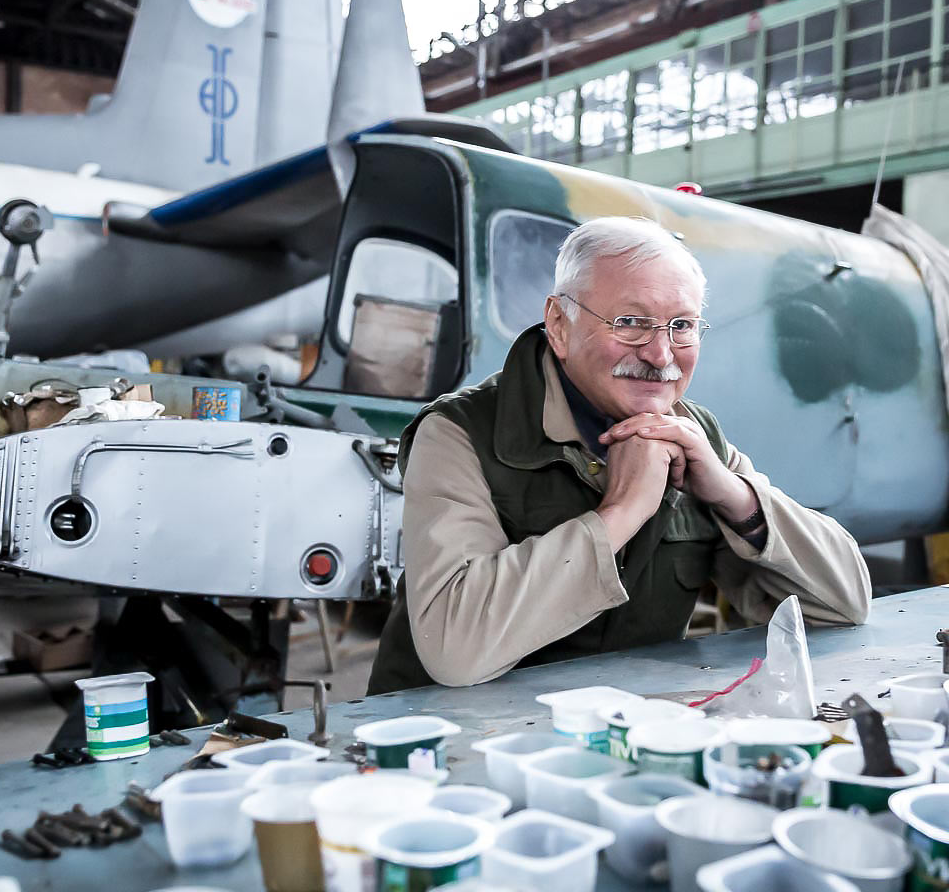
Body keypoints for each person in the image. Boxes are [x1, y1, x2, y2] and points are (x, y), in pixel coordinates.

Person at [368, 216, 871, 693]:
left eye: (682, 325)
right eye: (631, 322)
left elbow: (844, 603)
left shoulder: (694, 438)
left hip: (614, 736)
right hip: (440, 744)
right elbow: (454, 651)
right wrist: (621, 511)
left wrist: (733, 496)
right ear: (559, 325)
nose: (661, 354)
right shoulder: (460, 434)